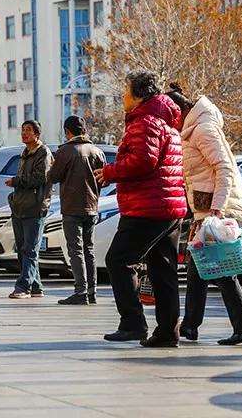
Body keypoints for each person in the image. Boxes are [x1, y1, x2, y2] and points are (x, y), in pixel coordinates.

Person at [94, 71, 187, 347]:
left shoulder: (145, 121)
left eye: (125, 90)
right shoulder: (165, 121)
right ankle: (167, 331)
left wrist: (110, 171)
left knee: (118, 260)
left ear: (137, 95)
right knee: (163, 268)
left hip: (148, 206)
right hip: (168, 206)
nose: (122, 96)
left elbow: (143, 161)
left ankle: (133, 323)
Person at [165, 84, 242, 346]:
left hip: (220, 210)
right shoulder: (193, 130)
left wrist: (216, 211)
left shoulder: (203, 129)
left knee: (219, 269)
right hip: (205, 211)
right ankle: (190, 327)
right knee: (197, 269)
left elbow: (225, 170)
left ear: (181, 111)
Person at [48, 115, 106, 306]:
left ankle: (80, 291)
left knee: (76, 249)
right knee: (89, 249)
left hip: (72, 206)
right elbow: (103, 179)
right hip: (92, 206)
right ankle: (92, 291)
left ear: (67, 131)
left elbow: (53, 177)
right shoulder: (97, 151)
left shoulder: (66, 151)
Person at [6, 120, 54, 299]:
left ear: (37, 135)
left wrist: (16, 181)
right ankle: (36, 286)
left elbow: (40, 178)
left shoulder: (43, 153)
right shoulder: (25, 153)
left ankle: (23, 286)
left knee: (30, 249)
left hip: (35, 207)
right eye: (22, 130)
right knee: (22, 248)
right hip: (19, 206)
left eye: (28, 130)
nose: (24, 133)